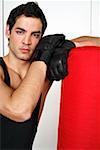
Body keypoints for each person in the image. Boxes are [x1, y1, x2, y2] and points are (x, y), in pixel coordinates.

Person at [0, 1, 100, 150]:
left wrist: (67, 45)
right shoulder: (36, 66)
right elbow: (20, 110)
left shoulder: (41, 70)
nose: (27, 41)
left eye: (35, 35)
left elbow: (96, 42)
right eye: (20, 32)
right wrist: (43, 56)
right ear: (8, 30)